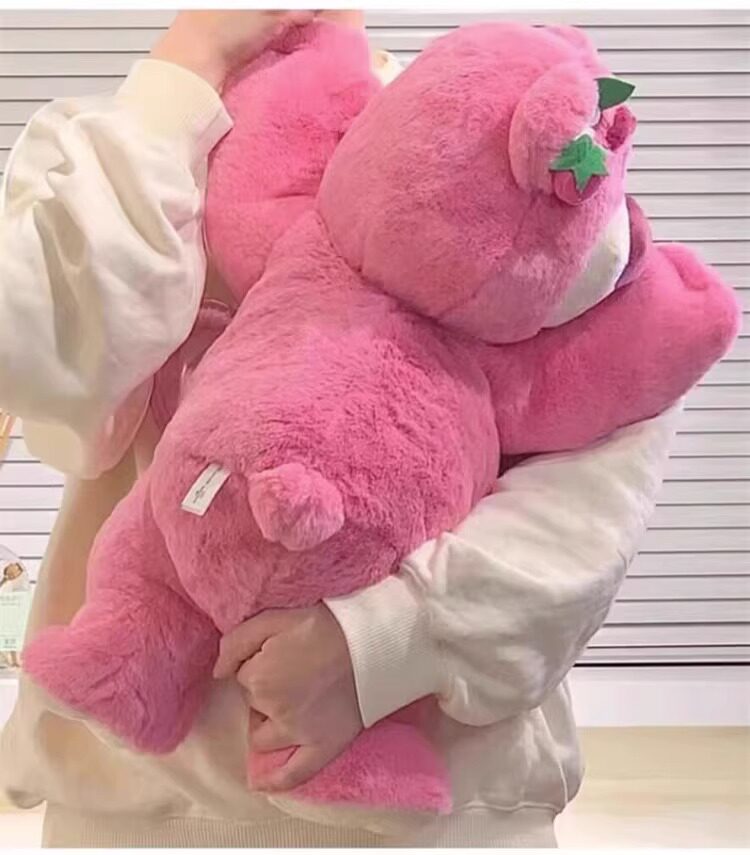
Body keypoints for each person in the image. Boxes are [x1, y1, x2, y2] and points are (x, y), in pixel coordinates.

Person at [0, 9, 682, 848]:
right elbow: (38, 359)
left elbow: (597, 478)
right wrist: (188, 64)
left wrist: (385, 642)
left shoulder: (491, 114)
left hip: (443, 804)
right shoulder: (109, 142)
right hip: (138, 796)